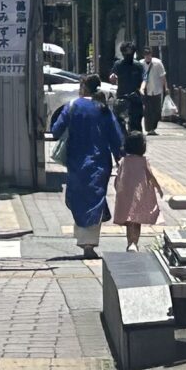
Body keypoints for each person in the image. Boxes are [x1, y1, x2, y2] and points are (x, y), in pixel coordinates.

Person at [50, 73, 122, 259]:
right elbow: (116, 138)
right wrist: (120, 159)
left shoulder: (72, 106)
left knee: (78, 199)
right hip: (100, 163)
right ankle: (89, 243)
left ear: (83, 88)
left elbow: (56, 130)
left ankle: (85, 242)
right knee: (95, 199)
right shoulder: (104, 109)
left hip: (76, 162)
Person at [112, 128, 163, 250]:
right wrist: (159, 188)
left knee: (129, 220)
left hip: (125, 193)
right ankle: (135, 242)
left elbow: (118, 176)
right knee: (136, 220)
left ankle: (130, 242)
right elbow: (150, 176)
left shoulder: (124, 161)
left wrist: (117, 188)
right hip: (139, 194)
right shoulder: (143, 161)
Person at [112, 42, 145, 135]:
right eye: (126, 52)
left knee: (136, 122)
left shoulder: (138, 65)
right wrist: (113, 77)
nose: (128, 54)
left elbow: (144, 79)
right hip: (122, 97)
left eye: (130, 52)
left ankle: (137, 141)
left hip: (135, 97)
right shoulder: (118, 64)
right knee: (119, 121)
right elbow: (113, 75)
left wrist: (142, 89)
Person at [139, 47, 170, 136]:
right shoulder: (141, 64)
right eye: (146, 54)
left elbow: (163, 76)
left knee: (157, 111)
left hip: (157, 89)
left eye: (149, 54)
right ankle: (149, 129)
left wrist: (166, 88)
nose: (148, 56)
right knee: (147, 111)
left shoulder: (158, 63)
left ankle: (153, 127)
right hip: (145, 91)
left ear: (151, 54)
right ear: (144, 55)